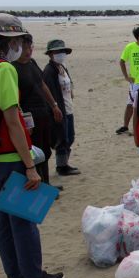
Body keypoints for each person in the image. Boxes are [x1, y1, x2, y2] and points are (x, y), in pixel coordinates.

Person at [0, 13, 64, 278]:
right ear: (9, 41)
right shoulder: (4, 70)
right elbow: (12, 121)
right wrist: (29, 165)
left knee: (3, 224)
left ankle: (15, 277)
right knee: (22, 220)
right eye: (18, 40)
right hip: (10, 157)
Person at [12, 34, 63, 185]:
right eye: (25, 48)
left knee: (45, 151)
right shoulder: (12, 67)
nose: (28, 51)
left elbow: (42, 84)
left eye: (30, 47)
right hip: (28, 117)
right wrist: (24, 124)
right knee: (34, 152)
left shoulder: (32, 63)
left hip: (43, 113)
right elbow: (15, 99)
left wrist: (54, 105)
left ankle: (46, 183)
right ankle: (38, 183)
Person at [42, 39, 80, 176]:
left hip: (68, 107)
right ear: (51, 54)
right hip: (59, 109)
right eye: (57, 51)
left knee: (70, 136)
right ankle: (62, 166)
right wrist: (55, 107)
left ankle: (64, 163)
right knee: (62, 138)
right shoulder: (49, 70)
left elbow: (68, 85)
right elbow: (48, 91)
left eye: (62, 51)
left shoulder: (62, 67)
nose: (61, 54)